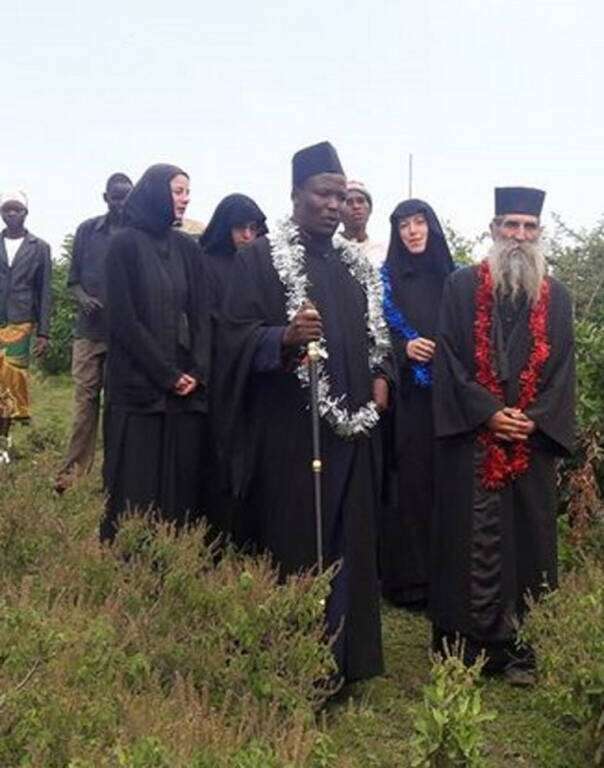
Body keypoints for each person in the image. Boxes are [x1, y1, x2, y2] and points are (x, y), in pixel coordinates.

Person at [215, 141, 391, 683]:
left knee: (351, 542)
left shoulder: (354, 265)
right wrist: (283, 338)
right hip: (292, 437)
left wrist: (383, 378)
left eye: (341, 195)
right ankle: (296, 664)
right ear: (295, 194)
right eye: (323, 194)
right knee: (300, 544)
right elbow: (232, 338)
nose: (334, 205)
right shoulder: (259, 260)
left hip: (354, 432)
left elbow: (377, 338)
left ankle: (349, 661)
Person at [431, 187, 575, 685]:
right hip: (473, 440)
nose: (519, 235)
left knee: (530, 543)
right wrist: (488, 413)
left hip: (530, 443)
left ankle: (524, 652)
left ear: (539, 233)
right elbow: (450, 359)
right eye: (510, 225)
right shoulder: (460, 286)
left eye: (528, 227)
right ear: (494, 229)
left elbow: (562, 369)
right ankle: (464, 650)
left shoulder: (557, 297)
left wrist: (535, 418)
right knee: (464, 542)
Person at [100, 164, 213, 542]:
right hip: (138, 387)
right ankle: (130, 557)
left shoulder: (187, 248)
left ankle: (174, 555)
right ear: (155, 193)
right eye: (178, 191)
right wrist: (166, 374)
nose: (185, 199)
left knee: (179, 487)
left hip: (184, 389)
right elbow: (124, 320)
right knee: (136, 483)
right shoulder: (123, 245)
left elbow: (202, 313)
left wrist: (197, 369)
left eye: (187, 192)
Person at [379, 199, 455, 611]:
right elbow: (374, 334)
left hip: (451, 399)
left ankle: (448, 575)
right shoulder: (386, 279)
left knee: (448, 483)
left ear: (432, 227)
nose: (412, 231)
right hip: (408, 401)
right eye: (404, 225)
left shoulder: (455, 277)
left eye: (419, 222)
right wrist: (404, 348)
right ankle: (411, 583)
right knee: (410, 484)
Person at [54, 173, 133, 492]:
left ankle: (113, 476)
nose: (121, 203)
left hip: (124, 335)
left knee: (116, 404)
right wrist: (84, 298)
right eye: (116, 197)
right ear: (105, 198)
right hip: (88, 332)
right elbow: (73, 280)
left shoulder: (137, 234)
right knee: (85, 402)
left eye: (127, 197)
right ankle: (71, 476)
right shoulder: (87, 231)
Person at [0, 191, 51, 459]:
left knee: (9, 383)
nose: (11, 214)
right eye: (6, 209)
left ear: (25, 213)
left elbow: (44, 292)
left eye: (16, 209)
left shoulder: (39, 248)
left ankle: (3, 444)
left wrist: (44, 332)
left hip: (20, 324)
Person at [200, 193, 267, 306]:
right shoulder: (204, 267)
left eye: (253, 228)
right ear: (225, 229)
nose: (247, 235)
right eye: (240, 227)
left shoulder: (262, 266)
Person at [340, 180, 385, 267]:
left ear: (370, 209)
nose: (356, 206)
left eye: (360, 201)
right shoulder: (331, 248)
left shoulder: (382, 251)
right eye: (349, 202)